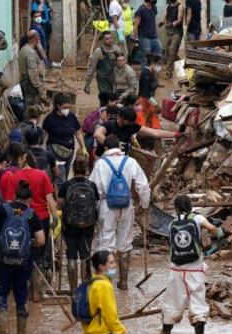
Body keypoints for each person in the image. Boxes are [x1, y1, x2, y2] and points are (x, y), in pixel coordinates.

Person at [152, 194, 224, 334]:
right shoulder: (197, 219)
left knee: (172, 302)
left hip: (176, 270)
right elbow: (213, 230)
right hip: (195, 270)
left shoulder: (172, 224)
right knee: (198, 302)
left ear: (176, 208)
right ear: (190, 206)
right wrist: (220, 233)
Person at [0, 180, 46, 334]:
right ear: (29, 200)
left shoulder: (3, 209)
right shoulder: (31, 214)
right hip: (23, 261)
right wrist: (28, 244)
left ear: (14, 196)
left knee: (0, 291)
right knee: (21, 294)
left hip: (2, 259)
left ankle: (3, 326)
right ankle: (22, 333)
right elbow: (41, 240)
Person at [89, 135, 151, 290]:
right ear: (120, 147)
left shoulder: (100, 164)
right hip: (126, 206)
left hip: (106, 207)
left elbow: (93, 189)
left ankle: (107, 283)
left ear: (106, 148)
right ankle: (123, 282)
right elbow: (143, 186)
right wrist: (144, 205)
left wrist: (95, 208)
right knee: (125, 243)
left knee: (107, 243)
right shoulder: (131, 162)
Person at [11, 143, 59, 302]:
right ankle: (37, 293)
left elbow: (10, 202)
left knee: (21, 252)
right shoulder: (43, 175)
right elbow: (49, 199)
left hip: (20, 219)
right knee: (37, 255)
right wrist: (55, 217)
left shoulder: (14, 177)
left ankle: (21, 291)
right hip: (41, 219)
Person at [58, 156, 99, 293]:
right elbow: (95, 205)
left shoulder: (66, 186)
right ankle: (85, 290)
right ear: (86, 169)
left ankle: (72, 291)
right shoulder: (92, 185)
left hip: (70, 225)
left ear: (73, 168)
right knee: (86, 255)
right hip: (88, 225)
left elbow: (59, 205)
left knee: (71, 255)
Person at [94, 106, 180, 156]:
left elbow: (155, 133)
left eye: (132, 122)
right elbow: (97, 134)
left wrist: (176, 134)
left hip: (121, 159)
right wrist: (113, 145)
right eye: (129, 121)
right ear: (121, 118)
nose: (131, 123)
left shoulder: (131, 126)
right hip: (104, 157)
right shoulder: (109, 125)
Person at [43, 92, 86, 187]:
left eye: (68, 108)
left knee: (65, 174)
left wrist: (83, 147)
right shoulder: (50, 118)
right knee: (60, 175)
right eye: (65, 107)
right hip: (54, 150)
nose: (67, 110)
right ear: (58, 106)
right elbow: (43, 134)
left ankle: (56, 191)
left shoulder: (71, 117)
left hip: (69, 152)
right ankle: (59, 199)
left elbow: (78, 133)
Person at [84, 31, 122, 95]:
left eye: (110, 38)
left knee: (115, 100)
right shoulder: (98, 52)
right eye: (107, 39)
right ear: (102, 40)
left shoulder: (117, 50)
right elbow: (92, 68)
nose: (109, 40)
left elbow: (123, 65)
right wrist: (87, 83)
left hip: (115, 79)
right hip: (103, 80)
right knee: (105, 99)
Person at [19, 32, 45, 113]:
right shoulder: (31, 52)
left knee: (28, 106)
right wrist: (39, 86)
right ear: (36, 39)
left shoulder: (23, 49)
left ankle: (27, 123)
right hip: (30, 84)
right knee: (32, 109)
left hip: (24, 81)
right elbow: (32, 72)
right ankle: (29, 124)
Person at [133, 0, 162, 65]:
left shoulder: (154, 7)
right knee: (145, 59)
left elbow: (153, 21)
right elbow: (135, 26)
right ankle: (145, 74)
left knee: (158, 56)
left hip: (154, 37)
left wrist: (156, 34)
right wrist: (136, 40)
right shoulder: (140, 10)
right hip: (144, 38)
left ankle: (154, 74)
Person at [161, 0, 184, 79]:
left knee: (172, 51)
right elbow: (164, 16)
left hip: (177, 32)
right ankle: (180, 64)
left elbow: (180, 19)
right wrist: (162, 21)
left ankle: (168, 72)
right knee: (168, 52)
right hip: (168, 32)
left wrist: (172, 24)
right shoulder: (168, 6)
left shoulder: (180, 6)